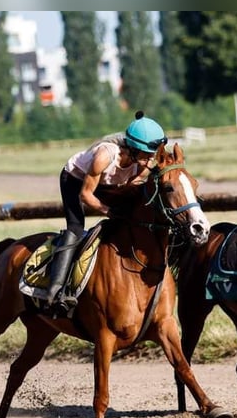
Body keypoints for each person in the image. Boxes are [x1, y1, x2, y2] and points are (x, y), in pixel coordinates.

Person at [47, 111, 168, 314]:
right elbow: (86, 195)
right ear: (132, 150)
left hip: (106, 183)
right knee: (76, 227)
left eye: (152, 155)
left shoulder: (142, 164)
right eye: (147, 155)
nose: (150, 160)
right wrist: (109, 211)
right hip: (75, 181)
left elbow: (130, 187)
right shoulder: (104, 156)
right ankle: (57, 289)